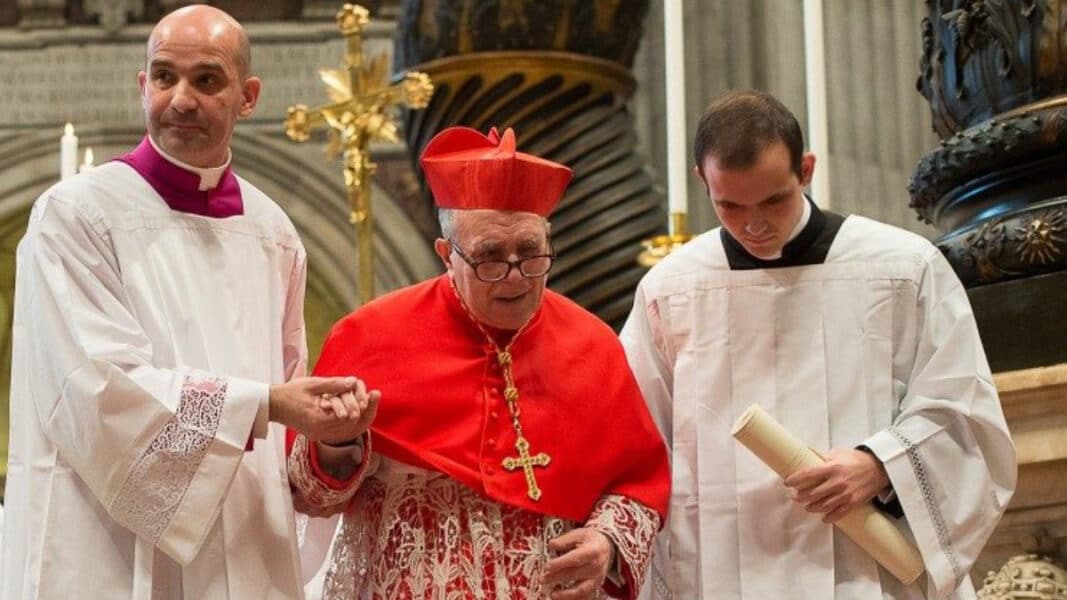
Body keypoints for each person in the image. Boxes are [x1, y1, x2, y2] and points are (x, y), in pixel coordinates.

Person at [1, 6, 371, 599]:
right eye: (165, 76)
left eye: (207, 80)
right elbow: (98, 393)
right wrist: (265, 404)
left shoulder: (273, 234)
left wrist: (332, 439)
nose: (181, 99)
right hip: (111, 551)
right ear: (141, 86)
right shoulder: (75, 218)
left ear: (247, 97)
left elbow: (291, 421)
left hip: (248, 544)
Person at [621, 90, 1016, 599]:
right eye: (730, 205)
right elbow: (637, 441)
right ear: (703, 181)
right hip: (720, 572)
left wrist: (880, 466)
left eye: (773, 200)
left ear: (805, 169)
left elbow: (965, 410)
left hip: (866, 566)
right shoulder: (671, 290)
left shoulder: (900, 268)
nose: (754, 225)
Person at [287, 126, 671, 600]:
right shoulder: (369, 337)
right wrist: (337, 441)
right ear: (447, 255)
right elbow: (309, 494)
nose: (515, 276)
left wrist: (606, 543)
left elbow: (638, 482)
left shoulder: (592, 344)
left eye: (531, 253)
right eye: (490, 256)